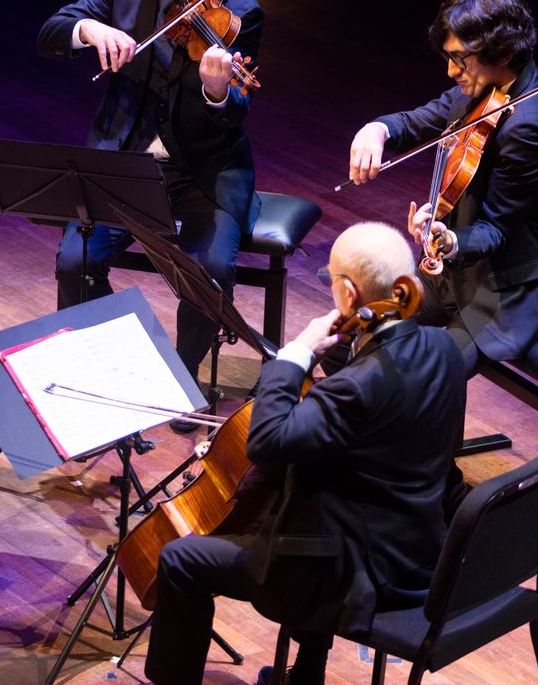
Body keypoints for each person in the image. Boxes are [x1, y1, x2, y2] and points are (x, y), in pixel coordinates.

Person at [144, 222, 466, 685]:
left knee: (179, 560)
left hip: (350, 578)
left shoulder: (356, 389)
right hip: (418, 556)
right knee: (322, 483)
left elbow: (267, 440)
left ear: (349, 293)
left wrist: (294, 356)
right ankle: (306, 671)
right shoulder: (444, 350)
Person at [37, 0, 265, 410]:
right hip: (127, 159)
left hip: (203, 169)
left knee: (209, 272)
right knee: (75, 260)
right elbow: (51, 33)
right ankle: (117, 367)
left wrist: (214, 90)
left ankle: (181, 383)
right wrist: (89, 29)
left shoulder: (243, 12)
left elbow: (235, 113)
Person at [348, 0, 538, 378]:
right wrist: (376, 130)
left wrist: (450, 240)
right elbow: (416, 120)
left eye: (459, 59)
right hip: (449, 277)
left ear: (501, 52)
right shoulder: (482, 90)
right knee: (358, 330)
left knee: (420, 378)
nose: (451, 71)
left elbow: (497, 230)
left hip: (497, 294)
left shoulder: (526, 126)